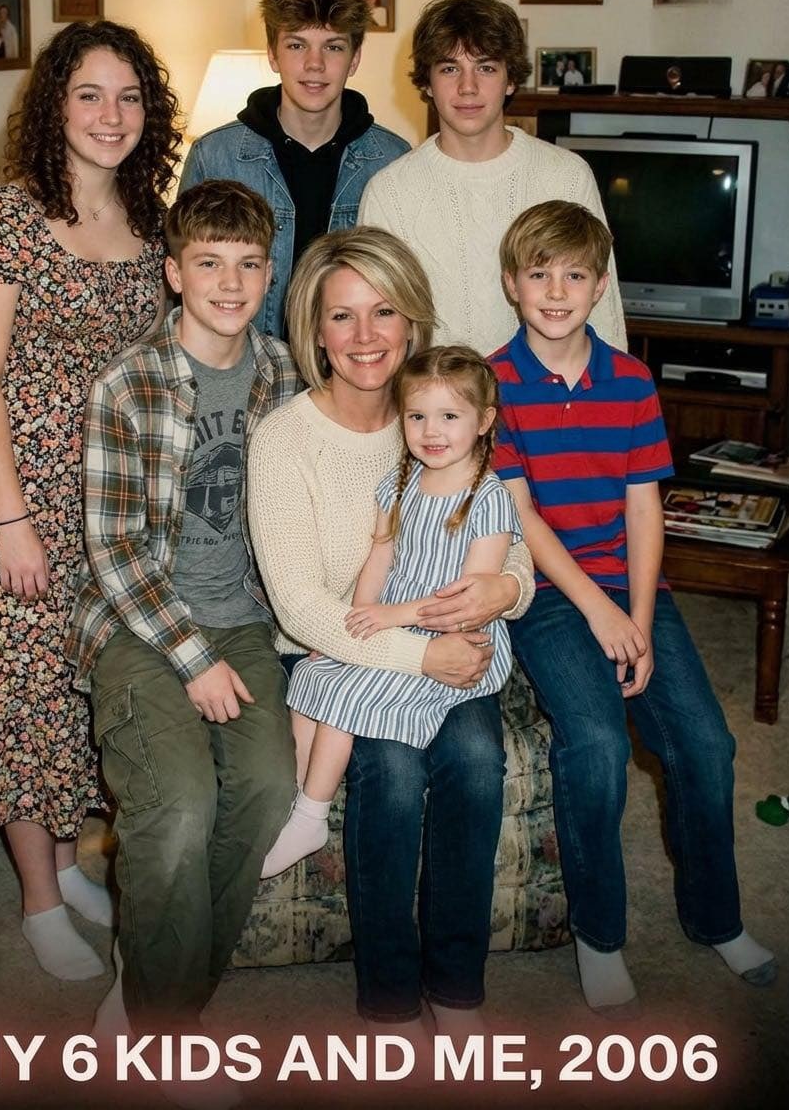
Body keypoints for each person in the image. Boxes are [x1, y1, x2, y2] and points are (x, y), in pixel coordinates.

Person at [0, 20, 182, 982]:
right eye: (89, 95)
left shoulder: (151, 220)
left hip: (113, 499)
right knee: (23, 697)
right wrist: (11, 521)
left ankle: (74, 863)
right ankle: (40, 899)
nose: (111, 115)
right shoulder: (4, 220)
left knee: (90, 692)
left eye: (129, 97)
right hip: (23, 498)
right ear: (55, 107)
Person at [491, 199, 777, 1015]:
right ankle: (599, 934)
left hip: (632, 586)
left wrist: (641, 620)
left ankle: (717, 919)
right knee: (596, 744)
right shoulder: (493, 382)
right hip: (548, 594)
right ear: (512, 284)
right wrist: (600, 613)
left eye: (574, 275)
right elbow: (521, 516)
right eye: (539, 274)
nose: (556, 291)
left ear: (599, 285)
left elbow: (644, 507)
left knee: (706, 743)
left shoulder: (632, 380)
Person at [247, 225, 535, 1037]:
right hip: (349, 648)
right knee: (395, 774)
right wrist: (419, 649)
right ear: (315, 331)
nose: (365, 335)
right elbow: (301, 607)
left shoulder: (444, 413)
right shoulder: (285, 441)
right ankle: (387, 997)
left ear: (413, 321)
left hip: (451, 644)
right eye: (342, 316)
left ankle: (457, 987)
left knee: (475, 761)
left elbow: (509, 539)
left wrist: (506, 588)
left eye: (384, 312)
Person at [66, 179, 299, 1045]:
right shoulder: (127, 384)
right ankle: (166, 1031)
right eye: (208, 263)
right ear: (173, 272)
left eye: (248, 264)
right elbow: (115, 551)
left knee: (267, 790)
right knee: (180, 806)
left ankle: (158, 988)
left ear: (269, 272)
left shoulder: (283, 373)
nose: (230, 284)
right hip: (141, 623)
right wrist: (194, 660)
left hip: (244, 618)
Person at [261, 344, 521, 878]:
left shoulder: (489, 499)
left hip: (455, 638)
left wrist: (388, 618)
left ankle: (311, 816)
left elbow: (465, 604)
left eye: (450, 417)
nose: (431, 431)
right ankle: (294, 800)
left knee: (345, 694)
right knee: (313, 673)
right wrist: (353, 630)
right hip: (397, 622)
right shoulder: (401, 483)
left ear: (484, 422)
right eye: (417, 416)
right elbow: (378, 559)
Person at [359, 0, 627, 354]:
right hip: (432, 390)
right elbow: (377, 330)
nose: (467, 87)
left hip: (550, 389)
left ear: (510, 79)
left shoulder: (567, 176)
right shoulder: (389, 191)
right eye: (450, 68)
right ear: (426, 83)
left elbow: (604, 319)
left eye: (485, 68)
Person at [179, 0, 408, 339]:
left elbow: (402, 291)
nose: (314, 64)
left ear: (354, 58)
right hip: (245, 363)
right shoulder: (214, 156)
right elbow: (187, 287)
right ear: (272, 54)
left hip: (353, 362)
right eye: (297, 45)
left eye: (333, 47)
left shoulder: (392, 159)